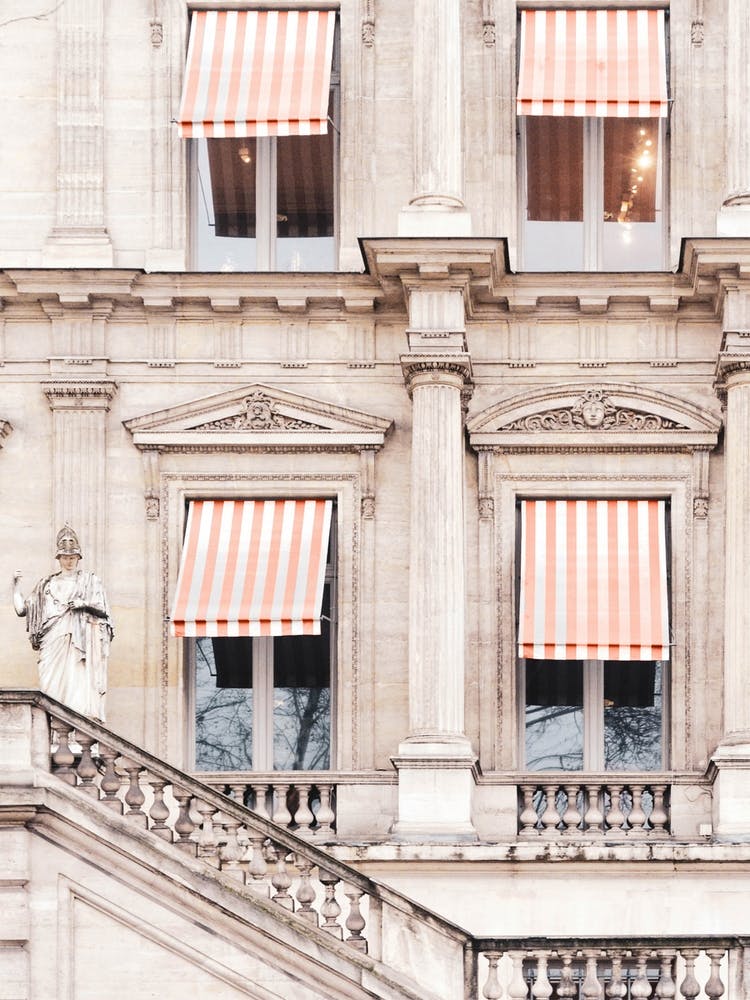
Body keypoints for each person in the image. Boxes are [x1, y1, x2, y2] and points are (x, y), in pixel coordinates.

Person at [13, 526, 114, 721]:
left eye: (73, 557)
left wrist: (83, 604)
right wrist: (15, 585)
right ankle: (52, 726)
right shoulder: (46, 585)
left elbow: (103, 609)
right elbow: (22, 610)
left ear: (78, 558)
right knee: (50, 684)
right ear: (59, 558)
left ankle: (76, 724)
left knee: (77, 680)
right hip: (52, 640)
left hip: (78, 639)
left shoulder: (90, 582)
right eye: (65, 557)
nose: (69, 561)